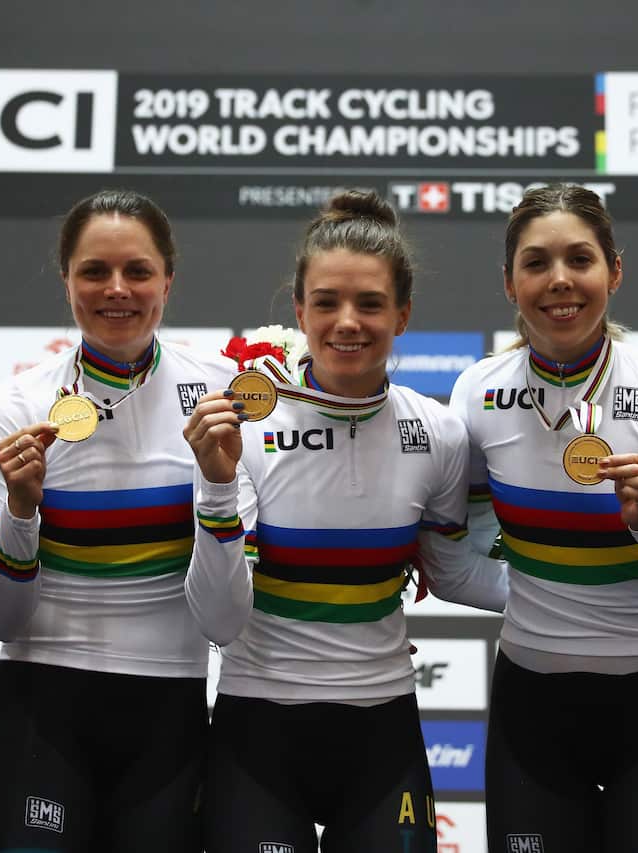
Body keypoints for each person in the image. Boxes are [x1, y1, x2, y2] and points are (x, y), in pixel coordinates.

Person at [183, 190, 507, 852]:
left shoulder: (439, 432)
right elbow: (218, 619)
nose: (348, 322)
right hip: (257, 732)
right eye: (326, 302)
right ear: (299, 310)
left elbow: (452, 571)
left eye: (371, 304)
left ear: (403, 314)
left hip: (383, 732)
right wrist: (216, 486)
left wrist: (594, 594)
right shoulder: (245, 423)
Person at [449, 184, 638, 851]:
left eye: (579, 259)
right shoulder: (476, 391)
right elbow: (459, 555)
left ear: (614, 270)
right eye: (536, 262)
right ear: (509, 282)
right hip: (531, 706)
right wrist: (542, 596)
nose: (560, 280)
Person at [0, 189, 231, 851]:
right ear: (66, 280)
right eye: (94, 271)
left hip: (168, 715)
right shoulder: (17, 405)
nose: (117, 289)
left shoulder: (221, 395)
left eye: (138, 270)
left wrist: (221, 485)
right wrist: (21, 510)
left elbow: (227, 617)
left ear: (168, 280)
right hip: (38, 709)